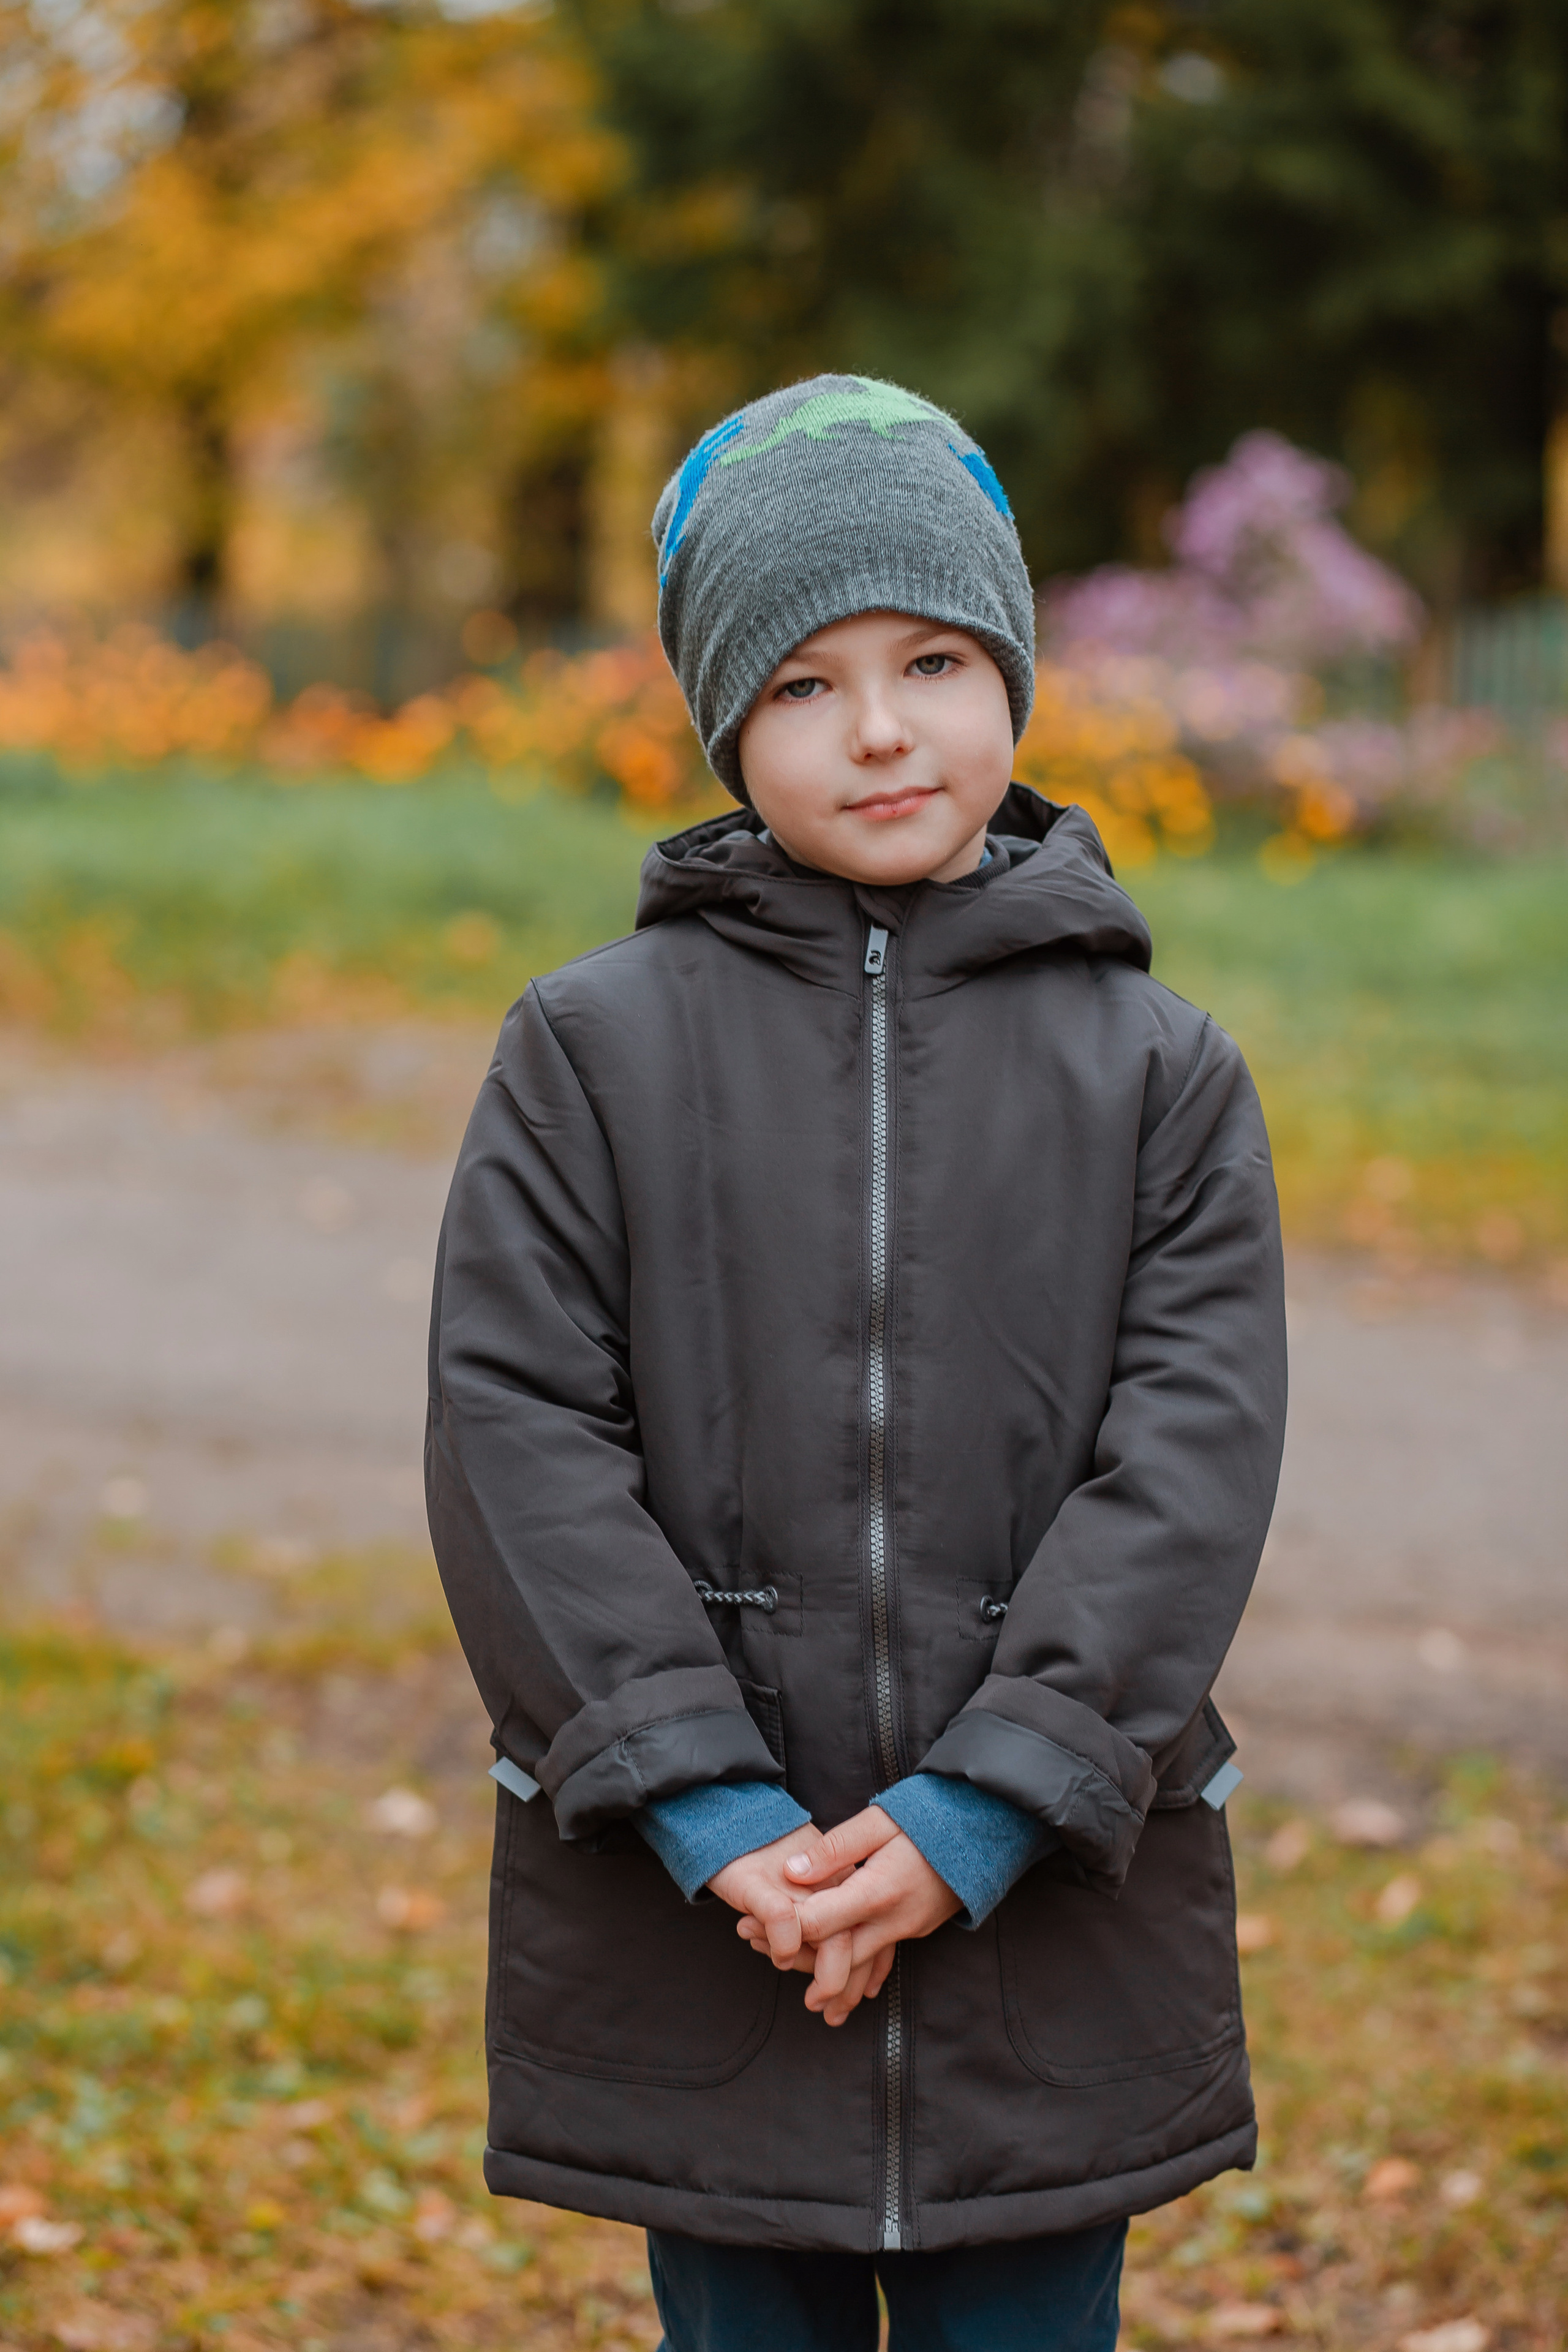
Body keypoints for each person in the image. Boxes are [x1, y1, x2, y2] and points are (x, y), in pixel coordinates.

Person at [426, 373, 1288, 2352]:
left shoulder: (1161, 1073)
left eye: (934, 662)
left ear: (1014, 678)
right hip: (720, 1915)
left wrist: (988, 1807)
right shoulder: (589, 1053)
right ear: (726, 724)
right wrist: (706, 1808)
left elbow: (1192, 1457)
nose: (882, 727)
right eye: (805, 682)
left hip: (1049, 1919)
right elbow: (516, 1436)